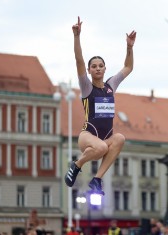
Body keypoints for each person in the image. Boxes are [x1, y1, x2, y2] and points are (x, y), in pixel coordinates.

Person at [64, 16, 136, 195]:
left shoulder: (111, 85)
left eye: (100, 66)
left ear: (105, 69)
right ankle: (77, 165)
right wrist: (76, 36)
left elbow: (128, 67)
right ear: (89, 71)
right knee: (102, 147)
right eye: (93, 66)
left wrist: (129, 47)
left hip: (105, 138)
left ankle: (96, 180)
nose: (97, 68)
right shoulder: (87, 87)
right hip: (88, 135)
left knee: (119, 138)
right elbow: (79, 60)